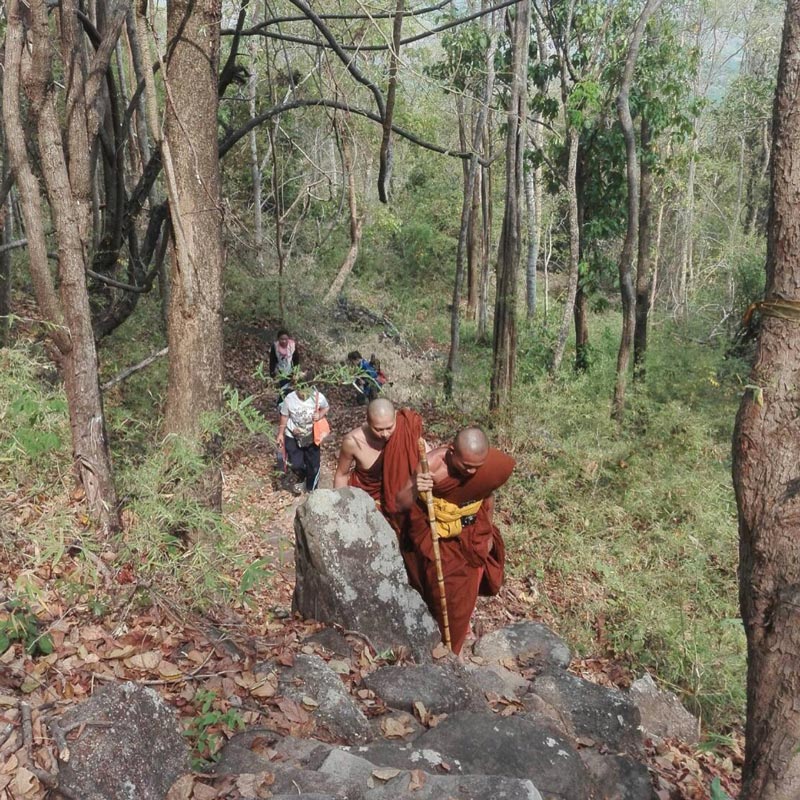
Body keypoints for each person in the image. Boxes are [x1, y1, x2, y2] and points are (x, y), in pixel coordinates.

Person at [407, 427, 515, 655]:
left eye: (477, 466)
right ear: (451, 451)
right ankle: (438, 647)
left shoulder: (486, 464)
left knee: (463, 600)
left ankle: (453, 651)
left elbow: (487, 494)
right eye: (466, 466)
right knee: (444, 598)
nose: (472, 472)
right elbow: (400, 502)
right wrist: (416, 487)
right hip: (442, 540)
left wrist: (487, 531)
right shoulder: (431, 466)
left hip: (472, 535)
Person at [333, 398, 422, 528]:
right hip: (366, 501)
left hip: (399, 500)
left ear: (395, 418)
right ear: (368, 421)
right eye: (378, 429)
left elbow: (428, 458)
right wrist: (342, 507)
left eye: (389, 428)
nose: (385, 434)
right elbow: (341, 474)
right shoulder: (353, 442)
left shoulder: (405, 429)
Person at [276, 378, 329, 495]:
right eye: (301, 391)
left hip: (311, 435)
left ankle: (311, 489)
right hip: (293, 435)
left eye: (307, 390)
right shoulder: (289, 399)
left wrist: (320, 415)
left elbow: (326, 407)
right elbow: (284, 416)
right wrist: (280, 433)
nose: (304, 394)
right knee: (296, 464)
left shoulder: (318, 397)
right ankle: (302, 476)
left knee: (313, 465)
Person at [269, 329, 300, 401]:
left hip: (290, 371)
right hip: (279, 371)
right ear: (278, 339)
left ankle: (285, 402)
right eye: (281, 339)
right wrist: (272, 374)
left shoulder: (292, 346)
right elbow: (272, 360)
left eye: (286, 339)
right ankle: (279, 402)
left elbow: (296, 360)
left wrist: (296, 372)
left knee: (288, 388)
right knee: (281, 388)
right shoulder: (275, 347)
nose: (284, 341)